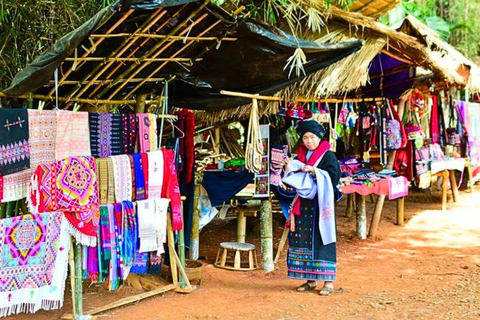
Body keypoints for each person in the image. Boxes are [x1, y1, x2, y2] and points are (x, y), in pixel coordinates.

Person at [281, 120, 341, 296]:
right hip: (304, 204)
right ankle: (310, 280)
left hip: (321, 204)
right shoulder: (300, 156)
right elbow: (296, 178)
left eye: (312, 137)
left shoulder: (328, 156)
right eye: (305, 138)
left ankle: (328, 282)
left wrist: (315, 172)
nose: (309, 141)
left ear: (320, 137)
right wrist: (290, 168)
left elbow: (334, 177)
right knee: (305, 239)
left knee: (323, 239)